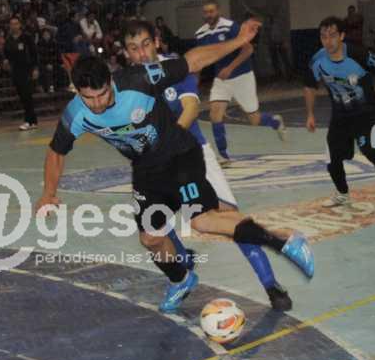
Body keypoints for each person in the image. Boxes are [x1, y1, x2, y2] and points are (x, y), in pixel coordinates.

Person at [36, 19, 314, 314]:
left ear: (111, 82)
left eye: (102, 94)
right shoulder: (76, 113)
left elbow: (192, 61)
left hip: (180, 154)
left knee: (203, 220)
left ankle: (284, 242)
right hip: (146, 169)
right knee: (151, 238)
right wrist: (48, 193)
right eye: (88, 98)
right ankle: (181, 279)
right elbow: (56, 151)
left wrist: (238, 41)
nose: (96, 104)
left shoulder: (138, 80)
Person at [123, 19, 292, 311]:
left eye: (146, 44)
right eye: (133, 48)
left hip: (193, 154)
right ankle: (181, 270)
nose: (141, 53)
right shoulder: (126, 85)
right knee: (154, 222)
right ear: (126, 52)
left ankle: (271, 284)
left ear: (157, 42)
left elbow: (190, 108)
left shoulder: (176, 68)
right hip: (156, 162)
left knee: (228, 217)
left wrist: (165, 146)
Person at [304, 16, 375, 211]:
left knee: (370, 149)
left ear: (342, 36)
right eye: (323, 36)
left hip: (365, 112)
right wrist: (310, 114)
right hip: (340, 115)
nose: (328, 41)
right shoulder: (318, 60)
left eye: (332, 36)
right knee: (332, 157)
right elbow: (310, 85)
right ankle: (342, 194)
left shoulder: (357, 54)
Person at [196, 0, 286, 163]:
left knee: (254, 119)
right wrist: (195, 81)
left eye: (211, 11)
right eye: (206, 12)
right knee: (215, 114)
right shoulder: (201, 34)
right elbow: (201, 58)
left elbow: (248, 50)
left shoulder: (231, 27)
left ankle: (274, 121)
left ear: (218, 11)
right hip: (221, 79)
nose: (209, 15)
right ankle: (223, 155)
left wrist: (230, 68)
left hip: (242, 76)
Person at [4, 15, 39, 131]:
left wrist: (35, 68)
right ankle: (33, 121)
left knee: (27, 94)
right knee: (22, 96)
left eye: (16, 23)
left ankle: (28, 120)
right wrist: (6, 61)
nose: (14, 26)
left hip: (27, 70)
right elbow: (6, 54)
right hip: (16, 70)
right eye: (12, 24)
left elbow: (34, 53)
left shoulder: (26, 37)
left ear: (20, 25)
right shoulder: (8, 39)